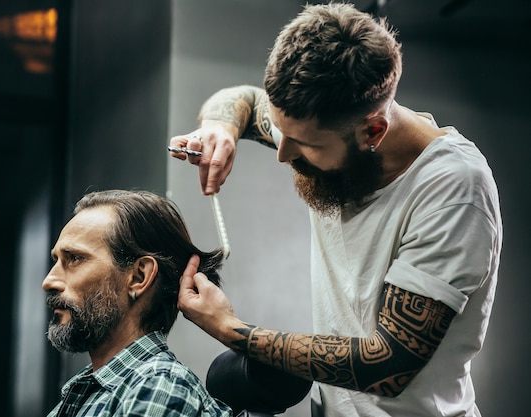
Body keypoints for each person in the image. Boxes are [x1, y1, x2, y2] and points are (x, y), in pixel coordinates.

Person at [170, 3, 502, 417]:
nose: (283, 153)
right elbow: (239, 98)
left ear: (372, 130)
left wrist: (231, 331)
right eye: (281, 131)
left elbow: (388, 364)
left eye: (305, 145)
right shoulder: (319, 125)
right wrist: (221, 126)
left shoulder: (454, 190)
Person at [42, 189, 232, 417]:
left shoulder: (158, 384)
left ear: (139, 277)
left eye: (74, 258)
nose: (49, 281)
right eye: (57, 260)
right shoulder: (88, 392)